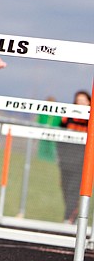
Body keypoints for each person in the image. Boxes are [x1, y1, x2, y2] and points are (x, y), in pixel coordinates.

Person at [57, 90, 91, 224]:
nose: (81, 103)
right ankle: (71, 213)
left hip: (82, 161)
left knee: (74, 189)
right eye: (79, 100)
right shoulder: (68, 117)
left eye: (84, 101)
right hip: (66, 159)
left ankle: (68, 218)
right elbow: (59, 135)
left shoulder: (91, 120)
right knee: (65, 187)